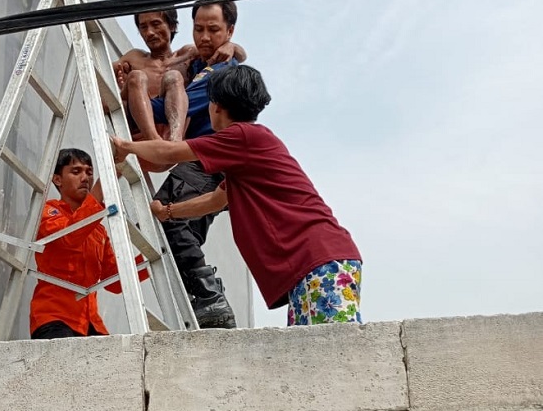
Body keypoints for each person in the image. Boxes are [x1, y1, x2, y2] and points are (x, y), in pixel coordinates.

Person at [112, 65, 363, 326]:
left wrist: (125, 146)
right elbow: (214, 201)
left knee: (331, 353)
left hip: (318, 261)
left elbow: (169, 152)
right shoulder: (247, 156)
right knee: (314, 356)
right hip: (314, 266)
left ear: (216, 106)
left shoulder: (242, 137)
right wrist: (169, 212)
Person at [142, 0, 244, 329]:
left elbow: (162, 111)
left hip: (208, 161)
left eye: (213, 30)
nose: (204, 37)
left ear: (229, 30)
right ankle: (207, 308)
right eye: (198, 29)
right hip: (207, 164)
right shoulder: (200, 66)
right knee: (180, 234)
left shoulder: (219, 74)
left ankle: (211, 297)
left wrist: (137, 96)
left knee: (165, 213)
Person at [30, 148, 148, 339]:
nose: (85, 178)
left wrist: (150, 259)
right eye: (76, 172)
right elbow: (69, 236)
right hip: (54, 317)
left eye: (89, 172)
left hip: (91, 322)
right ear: (57, 179)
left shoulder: (98, 230)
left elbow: (114, 283)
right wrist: (102, 187)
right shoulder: (48, 211)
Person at [113, 9, 246, 146]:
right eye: (143, 27)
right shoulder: (134, 57)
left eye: (156, 24)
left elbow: (226, 54)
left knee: (174, 77)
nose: (150, 32)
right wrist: (123, 90)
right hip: (136, 131)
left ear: (172, 26)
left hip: (172, 131)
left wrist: (232, 46)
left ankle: (174, 142)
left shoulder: (188, 54)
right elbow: (97, 78)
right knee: (137, 76)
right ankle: (154, 141)